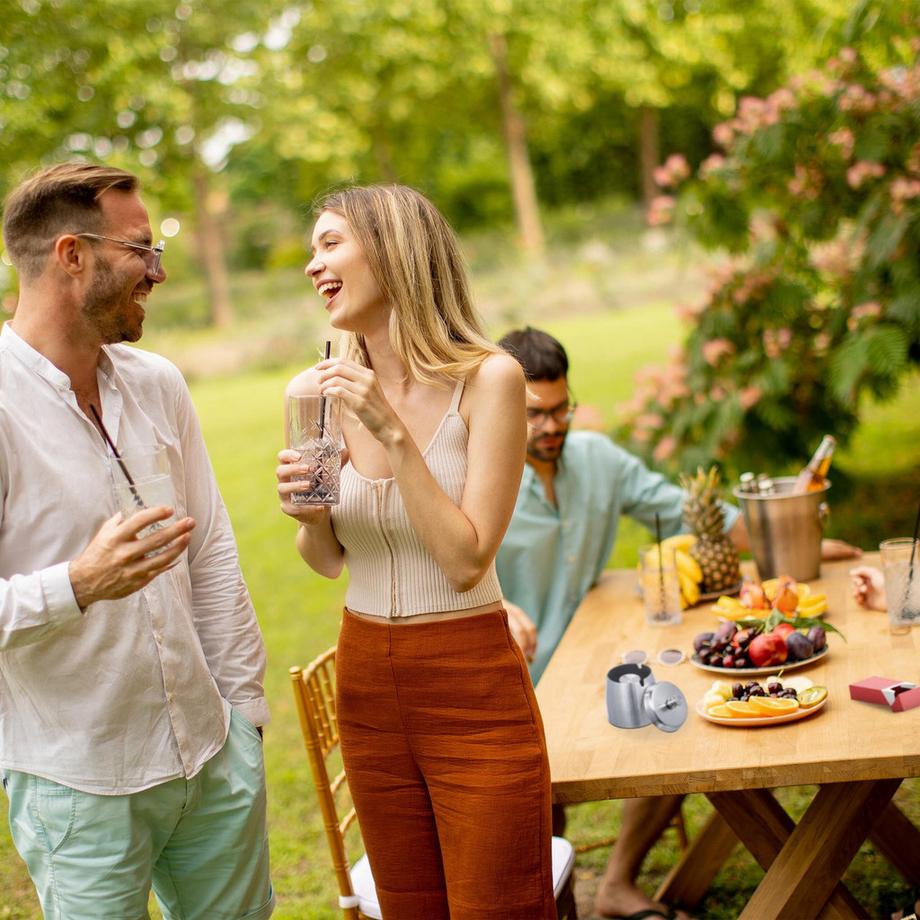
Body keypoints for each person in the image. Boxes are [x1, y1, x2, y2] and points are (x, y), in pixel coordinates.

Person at [495, 326, 861, 920]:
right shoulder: (478, 474)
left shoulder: (597, 459)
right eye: (536, 414)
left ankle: (615, 884)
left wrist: (796, 541)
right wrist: (498, 605)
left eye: (562, 409)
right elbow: (446, 563)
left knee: (673, 714)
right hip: (517, 681)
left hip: (594, 661)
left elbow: (694, 510)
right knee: (541, 794)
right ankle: (553, 905)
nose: (553, 426)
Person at [0, 163, 272, 919]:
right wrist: (78, 584)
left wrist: (242, 718)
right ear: (71, 255)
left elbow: (212, 548)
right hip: (78, 787)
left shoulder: (158, 384)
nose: (158, 271)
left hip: (212, 759)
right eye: (140, 249)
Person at [275, 185, 553, 919]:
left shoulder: (490, 379)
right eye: (313, 248)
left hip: (472, 685)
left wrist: (391, 430)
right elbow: (328, 557)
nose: (313, 265)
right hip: (368, 682)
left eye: (330, 243)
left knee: (499, 906)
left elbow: (466, 561)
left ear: (394, 250)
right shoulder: (312, 392)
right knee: (408, 907)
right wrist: (307, 516)